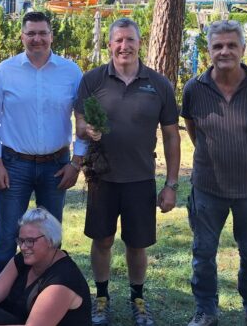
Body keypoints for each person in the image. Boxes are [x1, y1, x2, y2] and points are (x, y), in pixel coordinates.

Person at [75, 18, 181, 326]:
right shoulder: (92, 80)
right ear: (109, 45)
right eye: (118, 40)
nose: (124, 46)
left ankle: (137, 298)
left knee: (137, 244)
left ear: (139, 43)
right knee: (103, 240)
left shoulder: (158, 84)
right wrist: (87, 130)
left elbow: (172, 135)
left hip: (140, 178)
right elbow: (79, 124)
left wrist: (171, 184)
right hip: (102, 177)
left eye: (130, 40)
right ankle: (101, 297)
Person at [182, 20, 247, 326]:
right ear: (209, 50)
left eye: (231, 45)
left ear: (243, 49)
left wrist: (242, 144)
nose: (224, 51)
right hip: (208, 188)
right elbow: (193, 131)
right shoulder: (194, 89)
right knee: (203, 256)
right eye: (218, 46)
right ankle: (206, 311)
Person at [0, 11, 87, 277]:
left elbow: (83, 118)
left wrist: (76, 163)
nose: (37, 39)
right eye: (31, 33)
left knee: (50, 235)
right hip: (14, 165)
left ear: (51, 36)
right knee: (7, 235)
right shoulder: (5, 71)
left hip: (57, 165)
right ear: (22, 36)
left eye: (42, 33)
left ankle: (45, 291)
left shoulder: (71, 72)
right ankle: (4, 297)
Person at [0, 207, 92, 326]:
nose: (24, 247)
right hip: (22, 318)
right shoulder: (25, 259)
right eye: (21, 240)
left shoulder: (63, 280)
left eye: (30, 241)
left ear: (51, 240)